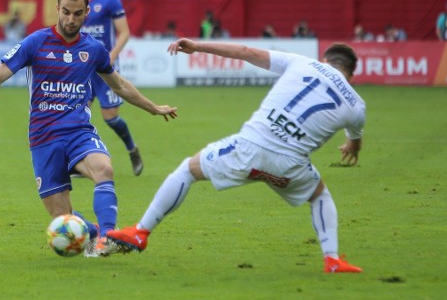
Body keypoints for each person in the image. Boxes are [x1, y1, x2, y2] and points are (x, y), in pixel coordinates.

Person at [0, 0, 177, 256]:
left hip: (78, 132)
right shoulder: (36, 42)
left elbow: (118, 85)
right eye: (67, 12)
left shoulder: (93, 49)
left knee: (104, 169)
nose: (71, 19)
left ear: (86, 14)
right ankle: (92, 232)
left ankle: (108, 237)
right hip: (43, 138)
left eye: (78, 14)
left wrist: (152, 107)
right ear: (57, 9)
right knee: (62, 220)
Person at [108, 40, 366, 274]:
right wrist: (351, 147)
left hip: (249, 149)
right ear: (351, 76)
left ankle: (141, 231)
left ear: (324, 60)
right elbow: (354, 142)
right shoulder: (357, 106)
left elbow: (246, 52)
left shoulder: (302, 62)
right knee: (320, 195)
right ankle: (332, 260)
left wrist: (197, 46)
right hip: (290, 166)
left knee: (188, 170)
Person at [78, 0, 144, 176]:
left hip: (105, 69)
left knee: (111, 118)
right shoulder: (75, 0)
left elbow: (124, 32)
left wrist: (112, 55)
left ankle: (132, 149)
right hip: (82, 69)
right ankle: (79, 161)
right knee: (78, 115)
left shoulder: (110, 0)